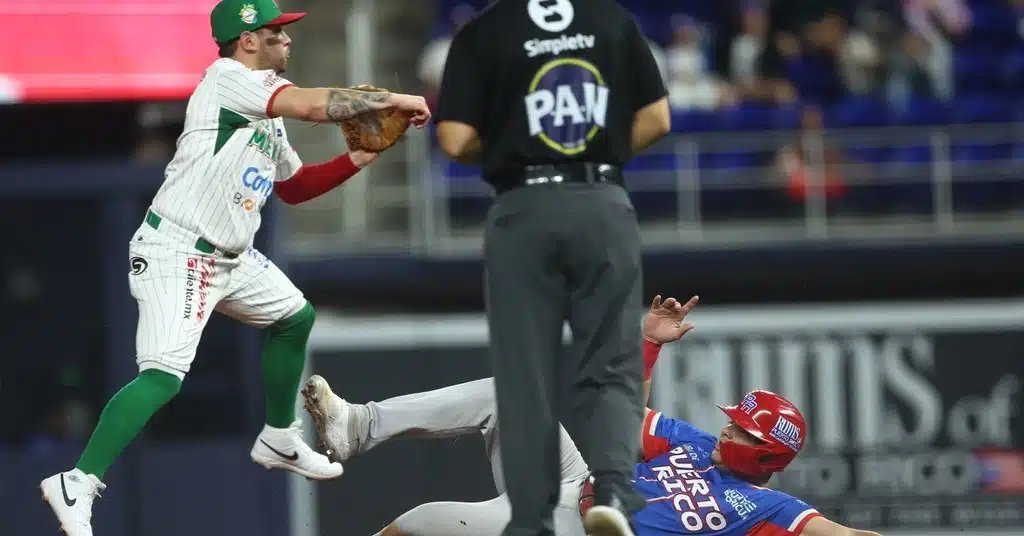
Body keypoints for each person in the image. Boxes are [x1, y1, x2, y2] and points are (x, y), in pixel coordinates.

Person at [39, 0, 431, 534]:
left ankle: (279, 436)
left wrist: (360, 158)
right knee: (162, 379)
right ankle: (77, 482)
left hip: (231, 255)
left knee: (295, 317)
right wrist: (399, 98)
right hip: (178, 250)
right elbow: (316, 108)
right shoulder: (228, 80)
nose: (288, 40)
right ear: (248, 41)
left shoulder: (263, 112)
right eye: (276, 32)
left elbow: (293, 189)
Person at [301, 295, 884, 536]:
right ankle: (358, 427)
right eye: (733, 420)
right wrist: (650, 346)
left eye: (740, 428)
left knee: (427, 520)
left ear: (765, 452)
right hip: (575, 490)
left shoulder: (770, 510)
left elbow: (841, 535)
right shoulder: (700, 446)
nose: (728, 426)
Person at [433, 1, 672, 534]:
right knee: (611, 363)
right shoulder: (613, 21)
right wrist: (594, 156)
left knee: (526, 377)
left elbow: (454, 139)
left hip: (524, 208)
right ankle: (611, 490)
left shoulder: (483, 33)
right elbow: (657, 119)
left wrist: (519, 151)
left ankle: (533, 520)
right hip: (601, 201)